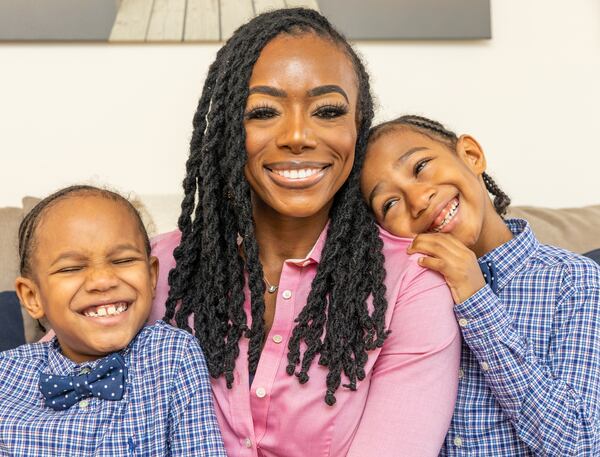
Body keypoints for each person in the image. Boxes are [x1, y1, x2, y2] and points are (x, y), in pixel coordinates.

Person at [150, 8, 461, 457]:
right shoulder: (158, 269)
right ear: (225, 132)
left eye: (328, 110)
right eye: (263, 111)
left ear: (357, 126)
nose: (297, 134)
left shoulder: (411, 284)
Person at [360, 114, 600, 455]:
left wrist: (476, 299)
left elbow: (580, 444)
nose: (418, 200)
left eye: (421, 166)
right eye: (390, 203)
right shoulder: (404, 300)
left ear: (471, 156)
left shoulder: (573, 279)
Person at [1, 185, 226, 456]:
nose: (103, 280)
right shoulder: (6, 373)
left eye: (123, 260)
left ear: (152, 276)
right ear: (32, 297)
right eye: (71, 268)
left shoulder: (172, 354)